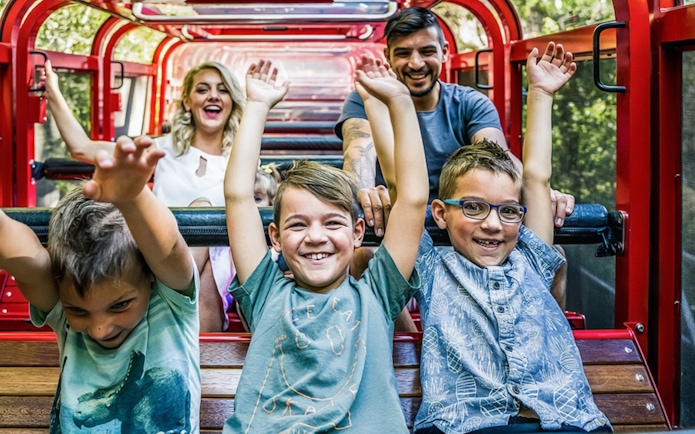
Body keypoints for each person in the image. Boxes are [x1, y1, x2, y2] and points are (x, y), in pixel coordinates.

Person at [403, 43, 611, 433]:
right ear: (439, 214)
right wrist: (396, 104)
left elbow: (536, 177)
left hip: (566, 421)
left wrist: (542, 93)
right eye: (473, 207)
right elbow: (408, 191)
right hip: (467, 424)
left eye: (508, 211)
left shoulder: (529, 259)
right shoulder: (433, 269)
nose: (494, 225)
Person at [222, 58, 427, 432]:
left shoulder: (378, 295)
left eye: (332, 223)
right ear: (275, 238)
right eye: (298, 225)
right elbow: (237, 196)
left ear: (358, 233)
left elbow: (413, 198)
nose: (316, 237)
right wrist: (257, 105)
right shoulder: (266, 293)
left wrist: (399, 100)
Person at [335, 6, 572, 311]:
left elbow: (496, 159)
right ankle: (400, 350)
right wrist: (362, 192)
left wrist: (532, 190)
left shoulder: (469, 102)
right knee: (367, 258)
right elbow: (360, 152)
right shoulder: (367, 96)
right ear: (389, 57)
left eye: (427, 51)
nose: (416, 63)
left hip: (465, 219)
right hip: (403, 221)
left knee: (554, 256)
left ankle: (552, 332)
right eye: (404, 53)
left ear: (445, 52)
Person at [0, 136, 200, 432]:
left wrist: (134, 198)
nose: (99, 328)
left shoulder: (173, 302)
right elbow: (28, 261)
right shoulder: (61, 304)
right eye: (78, 311)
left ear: (148, 273)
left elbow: (168, 249)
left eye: (119, 305)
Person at [42, 60, 245, 332]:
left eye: (222, 90)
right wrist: (53, 91)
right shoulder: (164, 148)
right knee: (198, 248)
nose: (213, 96)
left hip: (213, 261)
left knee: (207, 248)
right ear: (187, 102)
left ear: (231, 101)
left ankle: (165, 307)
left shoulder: (241, 158)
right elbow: (82, 147)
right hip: (153, 251)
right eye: (202, 89)